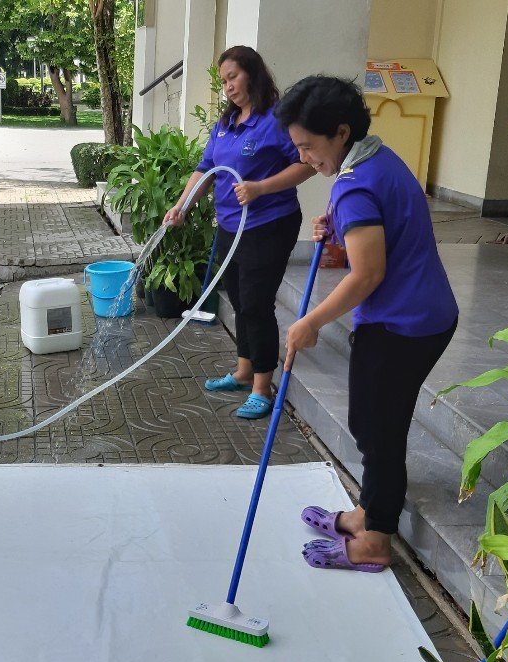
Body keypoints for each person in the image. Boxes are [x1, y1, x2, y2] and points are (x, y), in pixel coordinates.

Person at [275, 76, 458, 572]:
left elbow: (369, 273)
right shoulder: (375, 160)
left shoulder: (356, 185)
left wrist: (310, 321)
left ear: (339, 132)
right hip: (419, 314)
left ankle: (376, 538)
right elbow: (372, 239)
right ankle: (367, 512)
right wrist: (337, 228)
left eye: (308, 146)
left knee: (379, 429)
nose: (305, 158)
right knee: (373, 422)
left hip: (405, 322)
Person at [163, 45, 316, 420]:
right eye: (224, 80)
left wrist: (261, 188)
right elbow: (205, 169)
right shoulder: (227, 124)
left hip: (269, 224)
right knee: (236, 295)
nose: (228, 86)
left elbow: (308, 164)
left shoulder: (276, 121)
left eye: (233, 77)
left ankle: (263, 387)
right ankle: (244, 370)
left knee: (256, 303)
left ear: (252, 74)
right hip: (232, 225)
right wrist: (182, 206)